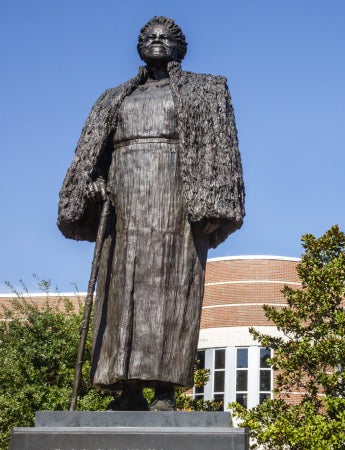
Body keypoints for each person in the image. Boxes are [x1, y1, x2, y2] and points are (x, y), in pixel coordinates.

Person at [57, 16, 244, 411]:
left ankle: (164, 390)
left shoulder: (205, 91)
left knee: (173, 289)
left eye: (165, 38)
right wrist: (94, 184)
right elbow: (95, 156)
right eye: (149, 37)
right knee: (121, 290)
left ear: (179, 47)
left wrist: (214, 206)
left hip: (175, 197)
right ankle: (127, 389)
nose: (156, 41)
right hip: (124, 199)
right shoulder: (115, 97)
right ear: (140, 46)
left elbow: (220, 150)